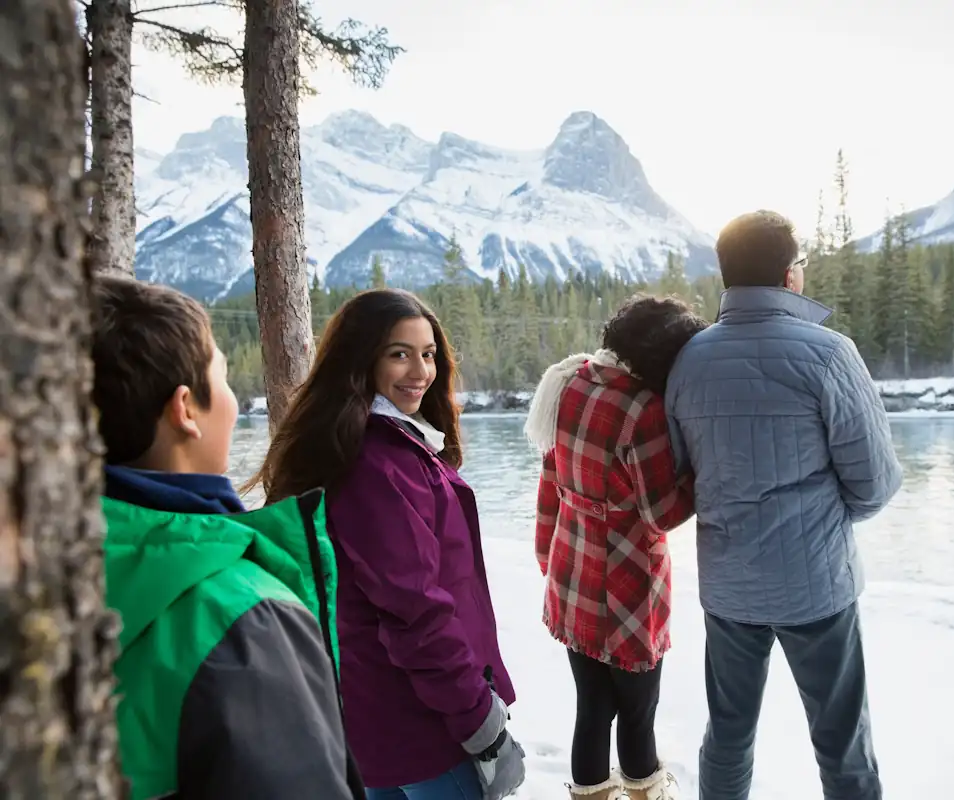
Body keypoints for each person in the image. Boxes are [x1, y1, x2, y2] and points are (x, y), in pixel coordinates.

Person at [91, 275, 364, 799]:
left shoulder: (38, 565)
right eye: (224, 378)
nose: (236, 404)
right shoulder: (240, 616)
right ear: (185, 409)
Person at [248, 289, 525, 800]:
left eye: (428, 354)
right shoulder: (377, 462)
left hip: (379, 715)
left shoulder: (387, 445)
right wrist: (480, 725)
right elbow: (415, 612)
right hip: (425, 721)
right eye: (399, 354)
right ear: (362, 360)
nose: (420, 371)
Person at [664, 210, 903, 800]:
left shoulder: (688, 361)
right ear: (790, 277)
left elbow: (680, 472)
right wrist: (822, 521)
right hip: (816, 584)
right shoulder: (828, 354)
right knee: (842, 740)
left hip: (729, 585)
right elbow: (874, 482)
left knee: (728, 732)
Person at [525, 296, 708, 800]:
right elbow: (662, 513)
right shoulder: (641, 408)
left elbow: (549, 483)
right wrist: (701, 473)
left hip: (572, 575)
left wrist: (548, 555)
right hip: (627, 589)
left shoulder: (567, 382)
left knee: (591, 711)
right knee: (638, 715)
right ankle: (648, 793)